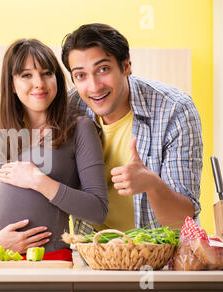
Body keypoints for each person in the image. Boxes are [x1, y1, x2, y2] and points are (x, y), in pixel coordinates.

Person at [0, 39, 108, 260]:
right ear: (12, 85)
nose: (39, 83)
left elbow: (98, 210)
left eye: (46, 73)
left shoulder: (80, 129)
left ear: (57, 79)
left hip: (49, 261)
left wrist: (38, 180)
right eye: (26, 75)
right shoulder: (0, 139)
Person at [56, 23, 203, 234]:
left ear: (126, 67)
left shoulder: (175, 110)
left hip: (159, 259)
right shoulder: (68, 109)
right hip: (93, 257)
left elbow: (182, 222)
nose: (94, 86)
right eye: (81, 75)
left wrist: (152, 184)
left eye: (103, 69)